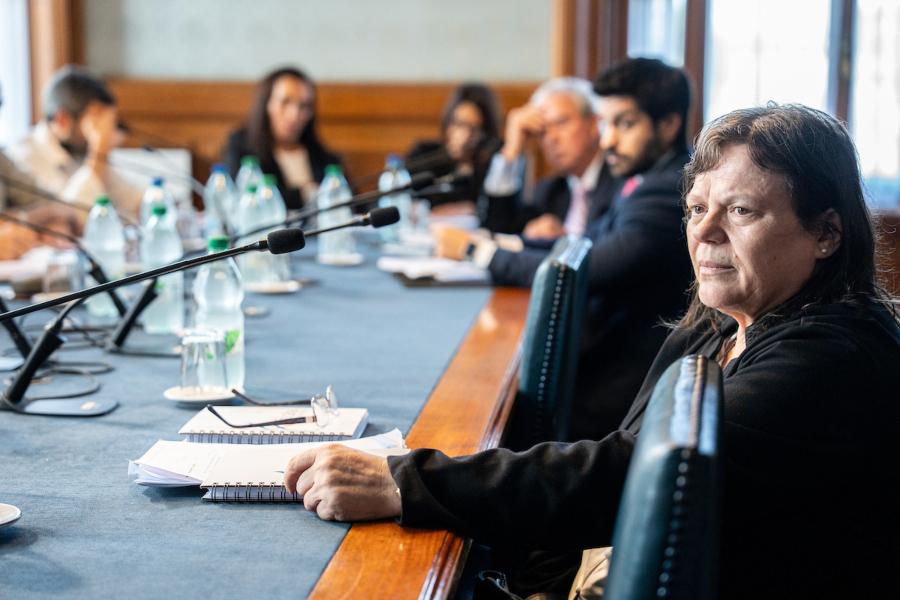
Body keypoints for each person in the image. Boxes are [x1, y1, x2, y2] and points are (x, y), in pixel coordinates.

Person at [283, 104, 900, 599]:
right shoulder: (720, 323)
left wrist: (406, 481)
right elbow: (618, 464)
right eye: (696, 208)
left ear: (825, 232)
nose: (705, 231)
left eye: (740, 211)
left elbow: (625, 476)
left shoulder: (832, 360)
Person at [439, 58, 694, 441]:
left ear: (669, 125)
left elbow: (581, 265)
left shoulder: (666, 191)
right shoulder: (645, 181)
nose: (608, 140)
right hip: (603, 373)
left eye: (624, 124)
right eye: (608, 124)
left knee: (474, 403)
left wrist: (478, 253)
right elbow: (581, 242)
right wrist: (495, 244)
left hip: (612, 398)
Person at [476, 77, 618, 237]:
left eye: (561, 123)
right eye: (543, 131)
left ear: (593, 125)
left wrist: (563, 242)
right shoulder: (550, 190)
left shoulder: (622, 184)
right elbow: (497, 230)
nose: (551, 138)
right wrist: (511, 151)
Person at [7, 65, 142, 221]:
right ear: (62, 120)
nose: (105, 130)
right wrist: (99, 148)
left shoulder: (78, 148)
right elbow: (68, 218)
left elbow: (133, 201)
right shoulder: (24, 157)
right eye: (96, 123)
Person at [222, 66, 343, 212]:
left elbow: (345, 197)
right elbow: (250, 198)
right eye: (285, 102)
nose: (295, 115)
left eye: (304, 106)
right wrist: (304, 193)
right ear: (267, 104)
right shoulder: (241, 146)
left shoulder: (320, 154)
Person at [405, 82, 503, 214]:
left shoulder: (494, 163)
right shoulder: (424, 155)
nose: (464, 136)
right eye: (459, 124)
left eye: (474, 129)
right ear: (448, 122)